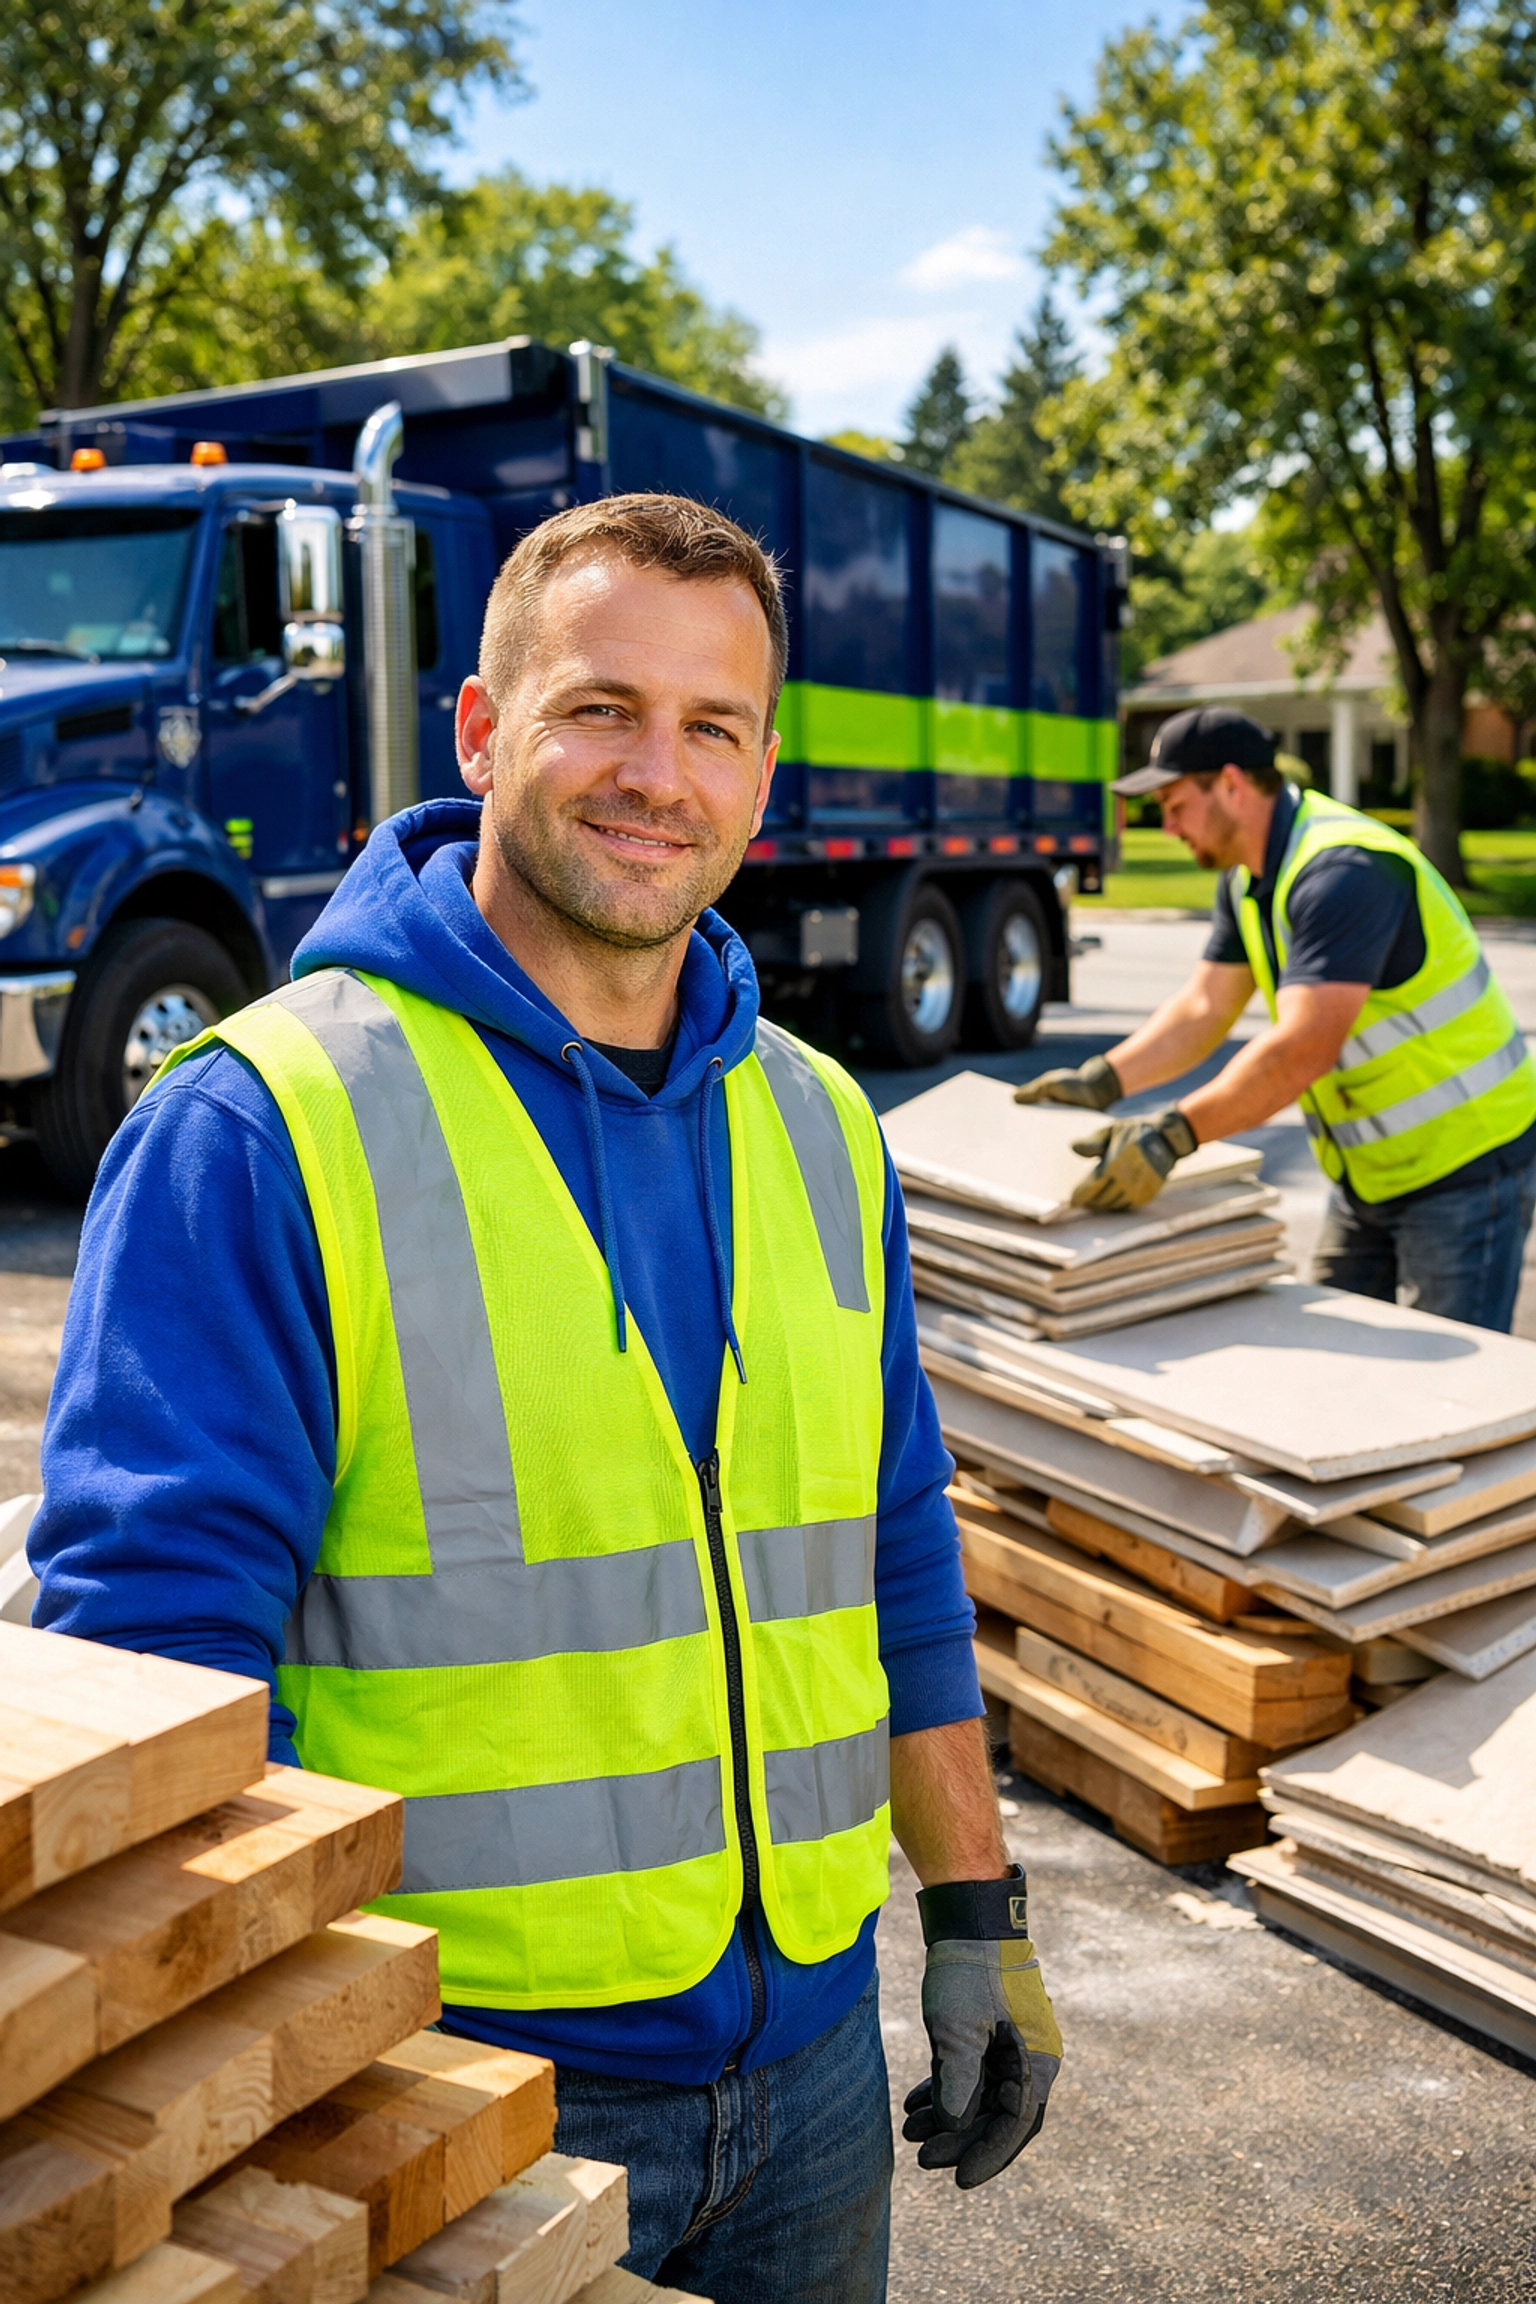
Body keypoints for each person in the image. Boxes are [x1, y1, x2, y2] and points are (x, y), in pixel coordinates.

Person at [29, 494, 1061, 2302]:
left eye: (713, 725)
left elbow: (892, 1546)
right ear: (483, 729)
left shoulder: (819, 1121)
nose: (657, 772)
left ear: (761, 769)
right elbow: (158, 1688)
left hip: (811, 2064)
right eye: (600, 707)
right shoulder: (261, 1122)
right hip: (457, 2086)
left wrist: (973, 1909)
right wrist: (280, 2117)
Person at [1020, 706, 1536, 1330]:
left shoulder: (1345, 872)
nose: (1169, 824)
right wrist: (1103, 1080)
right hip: (1368, 1172)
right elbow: (1204, 1007)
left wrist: (1171, 1136)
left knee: (1455, 1394)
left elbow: (1300, 1049)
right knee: (1333, 1371)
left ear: (1231, 785)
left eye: (1176, 803)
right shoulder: (1249, 879)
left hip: (1466, 1165)